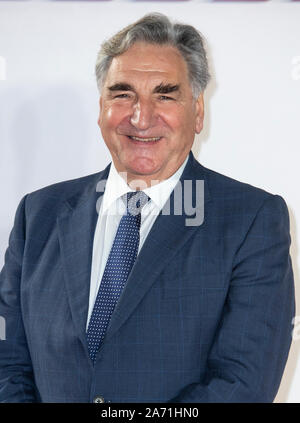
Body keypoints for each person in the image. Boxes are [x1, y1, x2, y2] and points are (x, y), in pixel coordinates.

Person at [0, 13, 295, 403]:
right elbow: (7, 363)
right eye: (122, 94)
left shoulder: (251, 220)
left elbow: (243, 384)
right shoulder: (37, 215)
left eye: (165, 94)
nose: (141, 117)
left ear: (198, 111)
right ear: (102, 106)